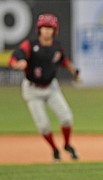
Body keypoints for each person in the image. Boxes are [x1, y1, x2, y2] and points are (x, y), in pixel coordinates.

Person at [8, 13, 80, 162]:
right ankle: (54, 149)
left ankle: (67, 145)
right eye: (44, 28)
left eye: (50, 28)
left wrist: (73, 71)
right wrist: (17, 63)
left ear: (55, 30)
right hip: (32, 89)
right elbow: (14, 58)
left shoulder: (57, 47)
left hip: (51, 87)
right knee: (43, 126)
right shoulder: (30, 45)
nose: (47, 31)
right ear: (39, 29)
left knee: (66, 118)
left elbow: (64, 61)